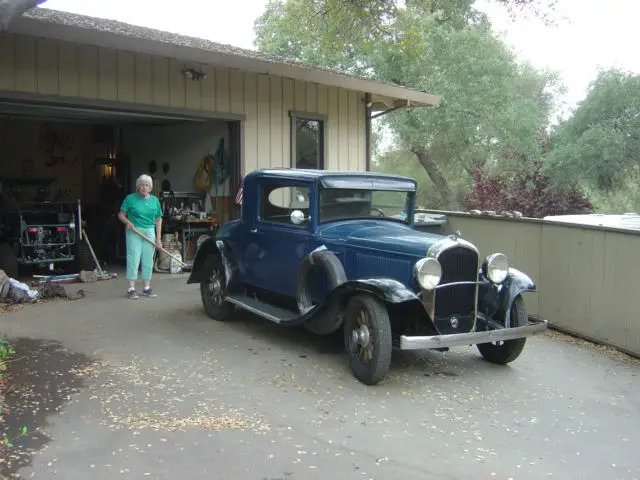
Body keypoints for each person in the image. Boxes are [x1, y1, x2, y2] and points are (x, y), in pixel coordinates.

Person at [117, 174, 163, 299]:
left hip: (149, 231)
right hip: (134, 231)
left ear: (150, 187)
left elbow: (158, 219)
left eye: (147, 185)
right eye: (142, 185)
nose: (144, 187)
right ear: (138, 186)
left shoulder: (155, 200)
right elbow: (121, 215)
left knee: (148, 259)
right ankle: (131, 288)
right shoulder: (130, 199)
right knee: (134, 258)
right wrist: (128, 222)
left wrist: (158, 238)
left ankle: (146, 288)